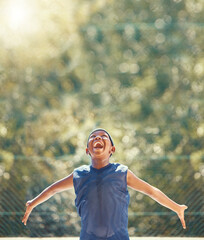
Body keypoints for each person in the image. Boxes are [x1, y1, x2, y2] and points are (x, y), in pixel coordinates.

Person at [22, 128, 188, 239]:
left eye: (103, 137)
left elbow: (151, 191)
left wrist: (177, 208)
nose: (97, 138)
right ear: (87, 150)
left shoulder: (121, 173)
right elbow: (52, 190)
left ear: (112, 150)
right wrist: (32, 203)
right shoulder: (79, 174)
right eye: (93, 137)